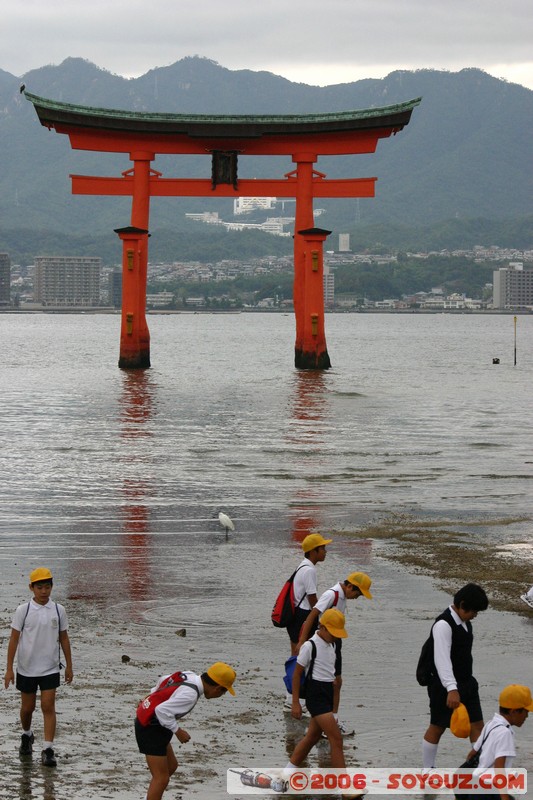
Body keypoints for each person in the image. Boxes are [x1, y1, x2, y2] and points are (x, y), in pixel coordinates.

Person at [135, 661, 236, 800]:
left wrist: (152, 695)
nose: (222, 695)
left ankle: (151, 796)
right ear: (218, 688)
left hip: (157, 724)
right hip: (151, 727)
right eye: (224, 692)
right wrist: (178, 731)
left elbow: (164, 679)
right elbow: (161, 711)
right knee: (161, 778)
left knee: (171, 766)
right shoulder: (190, 695)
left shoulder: (189, 675)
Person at [4, 567, 73, 768]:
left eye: (47, 587)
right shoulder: (23, 611)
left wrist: (69, 666)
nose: (44, 591)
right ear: (32, 588)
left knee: (48, 706)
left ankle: (48, 749)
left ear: (52, 587)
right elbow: (14, 640)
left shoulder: (59, 610)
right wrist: (9, 669)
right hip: (26, 668)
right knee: (27, 709)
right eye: (40, 587)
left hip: (50, 668)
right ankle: (27, 735)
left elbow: (64, 638)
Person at [295, 571, 372, 736]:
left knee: (337, 682)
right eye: (358, 593)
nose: (357, 597)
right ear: (350, 586)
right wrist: (301, 641)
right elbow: (313, 615)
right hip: (325, 641)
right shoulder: (332, 594)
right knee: (331, 682)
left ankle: (332, 719)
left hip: (335, 641)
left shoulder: (342, 596)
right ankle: (328, 722)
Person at [421, 583, 489, 769]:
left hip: (467, 683)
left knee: (477, 726)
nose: (475, 615)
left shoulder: (466, 623)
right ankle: (428, 769)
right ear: (462, 604)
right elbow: (442, 660)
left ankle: (478, 768)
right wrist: (452, 688)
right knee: (437, 726)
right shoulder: (443, 625)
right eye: (473, 610)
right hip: (444, 686)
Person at [286, 609, 349, 774]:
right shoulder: (309, 646)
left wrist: (335, 710)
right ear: (322, 627)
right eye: (333, 632)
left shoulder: (332, 645)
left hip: (326, 694)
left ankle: (286, 773)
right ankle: (345, 785)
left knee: (312, 738)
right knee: (336, 739)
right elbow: (297, 674)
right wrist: (295, 703)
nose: (335, 636)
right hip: (316, 696)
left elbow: (333, 680)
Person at [284, 532, 332, 711]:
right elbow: (313, 600)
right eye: (323, 548)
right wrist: (321, 620)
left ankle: (291, 697)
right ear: (314, 551)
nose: (326, 551)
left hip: (296, 617)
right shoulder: (310, 570)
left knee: (296, 657)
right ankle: (293, 699)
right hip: (303, 617)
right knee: (301, 658)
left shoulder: (302, 566)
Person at [460, 684, 533, 800]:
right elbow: (499, 768)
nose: (527, 716)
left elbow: (472, 754)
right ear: (514, 711)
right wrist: (504, 797)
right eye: (526, 712)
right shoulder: (505, 733)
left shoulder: (491, 724)